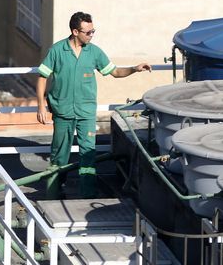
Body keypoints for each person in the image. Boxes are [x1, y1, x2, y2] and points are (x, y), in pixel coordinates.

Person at [36, 12, 151, 198]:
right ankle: (54, 192)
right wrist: (41, 106)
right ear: (75, 32)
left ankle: (87, 194)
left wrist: (134, 69)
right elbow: (42, 77)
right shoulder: (57, 50)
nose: (91, 35)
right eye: (88, 32)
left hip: (86, 111)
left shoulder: (94, 52)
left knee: (88, 154)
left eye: (93, 31)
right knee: (59, 154)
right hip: (62, 110)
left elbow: (115, 72)